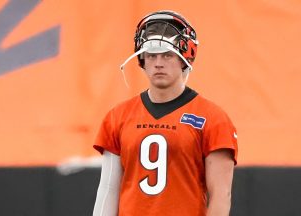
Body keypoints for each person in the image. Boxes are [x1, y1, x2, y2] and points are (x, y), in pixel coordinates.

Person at [92, 10, 238, 216]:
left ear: (184, 59)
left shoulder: (213, 118)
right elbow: (108, 189)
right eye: (151, 55)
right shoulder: (118, 116)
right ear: (142, 59)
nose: (158, 63)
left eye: (167, 55)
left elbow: (221, 195)